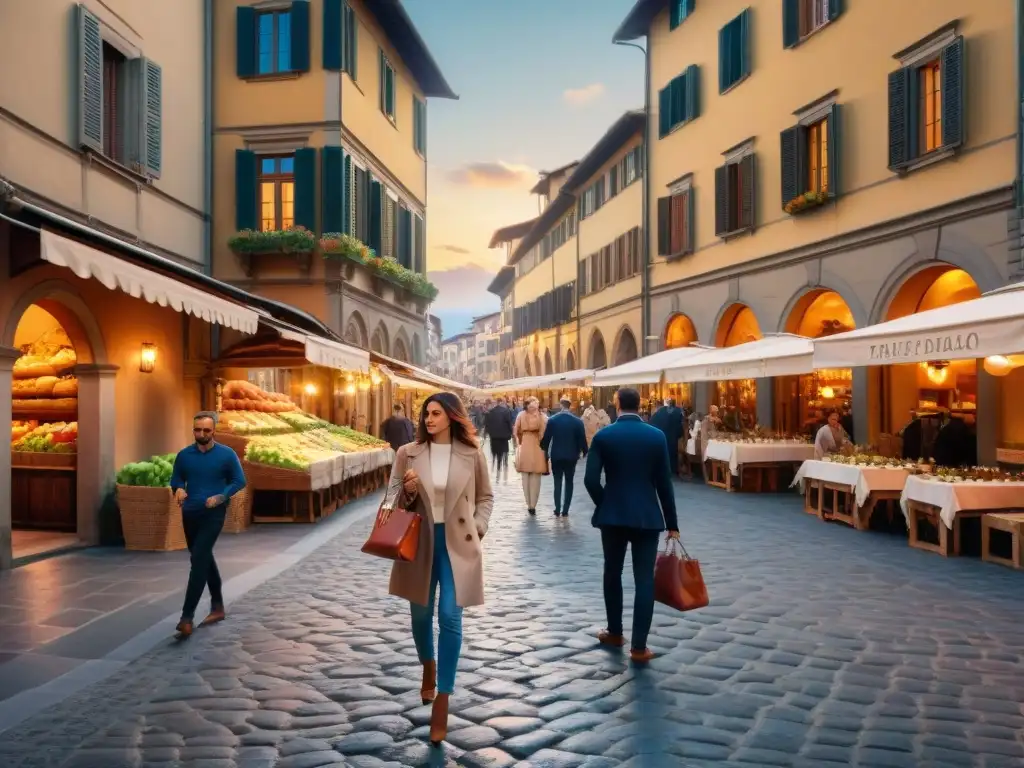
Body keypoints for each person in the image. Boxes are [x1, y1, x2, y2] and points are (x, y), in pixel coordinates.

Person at [386, 392, 494, 746]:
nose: (429, 419)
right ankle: (428, 666)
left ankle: (443, 699)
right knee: (420, 615)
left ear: (451, 416)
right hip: (419, 540)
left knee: (450, 616)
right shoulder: (408, 453)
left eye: (436, 413)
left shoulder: (472, 453)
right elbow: (392, 497)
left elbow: (485, 498)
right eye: (426, 414)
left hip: (457, 541)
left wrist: (478, 527)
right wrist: (408, 491)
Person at [584, 387, 679, 664]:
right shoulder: (656, 437)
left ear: (616, 404)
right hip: (647, 517)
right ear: (640, 406)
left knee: (612, 572)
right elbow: (665, 482)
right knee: (644, 579)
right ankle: (639, 647)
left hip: (613, 516)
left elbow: (591, 480)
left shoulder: (603, 436)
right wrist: (672, 522)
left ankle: (615, 631)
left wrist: (605, 503)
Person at [170, 412, 247, 638]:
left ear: (214, 431)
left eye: (206, 430)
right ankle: (218, 606)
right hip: (190, 513)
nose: (201, 434)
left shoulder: (226, 455)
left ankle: (186, 617)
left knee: (199, 561)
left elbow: (239, 481)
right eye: (197, 430)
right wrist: (179, 489)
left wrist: (221, 496)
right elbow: (176, 479)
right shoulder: (184, 456)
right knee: (202, 558)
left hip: (213, 514)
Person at [540, 397, 588, 517]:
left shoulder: (553, 420)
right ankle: (565, 509)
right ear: (570, 406)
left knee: (557, 482)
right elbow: (582, 439)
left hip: (556, 455)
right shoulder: (577, 421)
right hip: (571, 455)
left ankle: (557, 508)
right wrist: (584, 451)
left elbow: (546, 439)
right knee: (569, 481)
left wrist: (543, 448)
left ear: (561, 405)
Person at [513, 396, 548, 515]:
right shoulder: (542, 416)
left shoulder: (521, 415)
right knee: (535, 476)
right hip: (538, 445)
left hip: (525, 444)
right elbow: (544, 432)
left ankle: (528, 504)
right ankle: (533, 504)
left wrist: (519, 442)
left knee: (525, 476)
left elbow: (516, 431)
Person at [650, 398, 685, 477]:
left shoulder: (660, 411)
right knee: (673, 452)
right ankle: (673, 469)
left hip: (662, 434)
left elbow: (652, 422)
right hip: (673, 435)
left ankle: (663, 469)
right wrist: (680, 434)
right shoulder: (678, 411)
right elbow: (681, 424)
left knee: (664, 452)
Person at [484, 395, 515, 481]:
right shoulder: (506, 411)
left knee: (496, 452)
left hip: (494, 436)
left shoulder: (490, 412)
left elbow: (487, 424)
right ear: (501, 402)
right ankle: (504, 465)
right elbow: (509, 423)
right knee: (504, 451)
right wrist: (511, 433)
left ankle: (496, 465)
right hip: (504, 436)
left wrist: (488, 433)